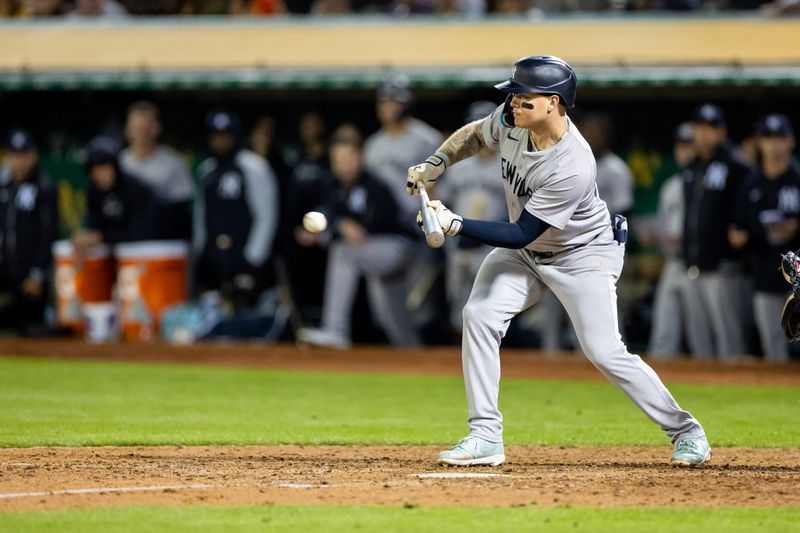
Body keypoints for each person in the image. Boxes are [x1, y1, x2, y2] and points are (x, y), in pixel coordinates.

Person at [406, 55, 709, 466]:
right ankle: (484, 436)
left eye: (524, 97)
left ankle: (686, 431)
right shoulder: (513, 121)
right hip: (528, 254)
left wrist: (456, 223)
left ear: (554, 102)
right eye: (512, 94)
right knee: (479, 316)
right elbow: (477, 135)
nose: (513, 103)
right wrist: (436, 163)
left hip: (582, 255)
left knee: (604, 351)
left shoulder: (573, 163)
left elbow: (522, 232)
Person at [296, 133, 421, 348]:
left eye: (347, 159)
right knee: (392, 319)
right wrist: (321, 231)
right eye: (337, 160)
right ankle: (415, 354)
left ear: (359, 158)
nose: (342, 165)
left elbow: (365, 230)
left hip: (400, 246)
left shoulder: (376, 184)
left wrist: (336, 228)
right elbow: (329, 216)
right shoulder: (332, 185)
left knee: (343, 252)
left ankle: (336, 330)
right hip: (375, 252)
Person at [681, 104, 754, 359]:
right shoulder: (691, 166)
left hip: (724, 265)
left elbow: (749, 201)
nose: (704, 134)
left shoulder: (735, 165)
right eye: (700, 127)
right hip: (694, 262)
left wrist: (741, 225)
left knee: (729, 338)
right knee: (699, 336)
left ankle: (740, 391)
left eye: (711, 128)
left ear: (722, 131)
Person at [729, 114, 800, 362]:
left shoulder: (797, 179)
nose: (774, 145)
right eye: (769, 138)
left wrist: (795, 227)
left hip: (798, 276)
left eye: (780, 138)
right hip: (764, 272)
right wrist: (739, 236)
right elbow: (737, 227)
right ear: (761, 143)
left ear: (791, 141)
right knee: (773, 343)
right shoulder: (751, 183)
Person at [194, 111, 279, 313]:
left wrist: (254, 258)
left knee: (249, 314)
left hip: (246, 257)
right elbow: (201, 215)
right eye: (216, 136)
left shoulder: (254, 167)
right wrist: (200, 253)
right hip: (214, 258)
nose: (221, 141)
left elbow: (267, 214)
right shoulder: (206, 170)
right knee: (213, 316)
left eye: (226, 135)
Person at [437, 101, 506, 333]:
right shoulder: (459, 166)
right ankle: (458, 353)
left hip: (493, 243)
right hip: (459, 239)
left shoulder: (509, 164)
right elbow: (442, 199)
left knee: (490, 303)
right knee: (458, 300)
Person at [0, 130, 58, 332]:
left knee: (30, 329)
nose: (19, 161)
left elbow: (48, 232)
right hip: (5, 273)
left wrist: (37, 274)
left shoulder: (44, 188)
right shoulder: (4, 188)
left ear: (33, 156)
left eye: (24, 155)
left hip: (29, 277)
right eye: (14, 155)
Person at [647, 122, 695, 358]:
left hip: (698, 265)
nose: (685, 151)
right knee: (664, 333)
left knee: (701, 336)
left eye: (690, 145)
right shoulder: (670, 187)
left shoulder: (706, 181)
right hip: (673, 262)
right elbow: (663, 226)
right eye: (681, 145)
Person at [119, 101, 194, 240]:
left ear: (158, 128)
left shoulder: (174, 162)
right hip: (126, 241)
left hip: (163, 240)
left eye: (147, 127)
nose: (143, 133)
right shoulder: (119, 163)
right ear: (127, 130)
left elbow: (181, 210)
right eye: (137, 128)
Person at [72, 136, 160, 254]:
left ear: (115, 167)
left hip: (152, 252)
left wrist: (102, 237)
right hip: (114, 256)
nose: (100, 175)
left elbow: (142, 232)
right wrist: (86, 236)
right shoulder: (93, 192)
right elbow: (93, 227)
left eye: (105, 168)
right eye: (95, 170)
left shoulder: (135, 189)